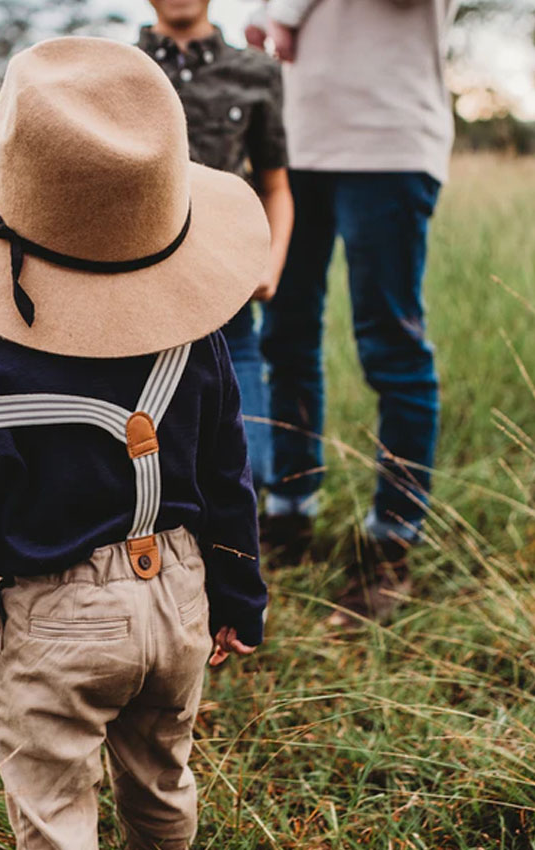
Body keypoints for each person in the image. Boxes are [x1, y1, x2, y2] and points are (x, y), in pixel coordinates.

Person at [0, 37, 269, 850]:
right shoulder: (198, 341)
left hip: (61, 617)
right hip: (180, 598)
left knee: (52, 800)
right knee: (164, 776)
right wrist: (241, 596)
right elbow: (229, 481)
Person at [247, 0, 459, 622]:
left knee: (390, 345)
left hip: (389, 143)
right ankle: (289, 513)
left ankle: (392, 542)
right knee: (282, 335)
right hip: (298, 142)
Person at [138, 0, 293, 489]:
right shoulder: (122, 68)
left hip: (229, 296)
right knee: (151, 457)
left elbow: (275, 185)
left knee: (244, 462)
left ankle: (245, 551)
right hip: (137, 296)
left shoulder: (256, 72)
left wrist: (270, 264)